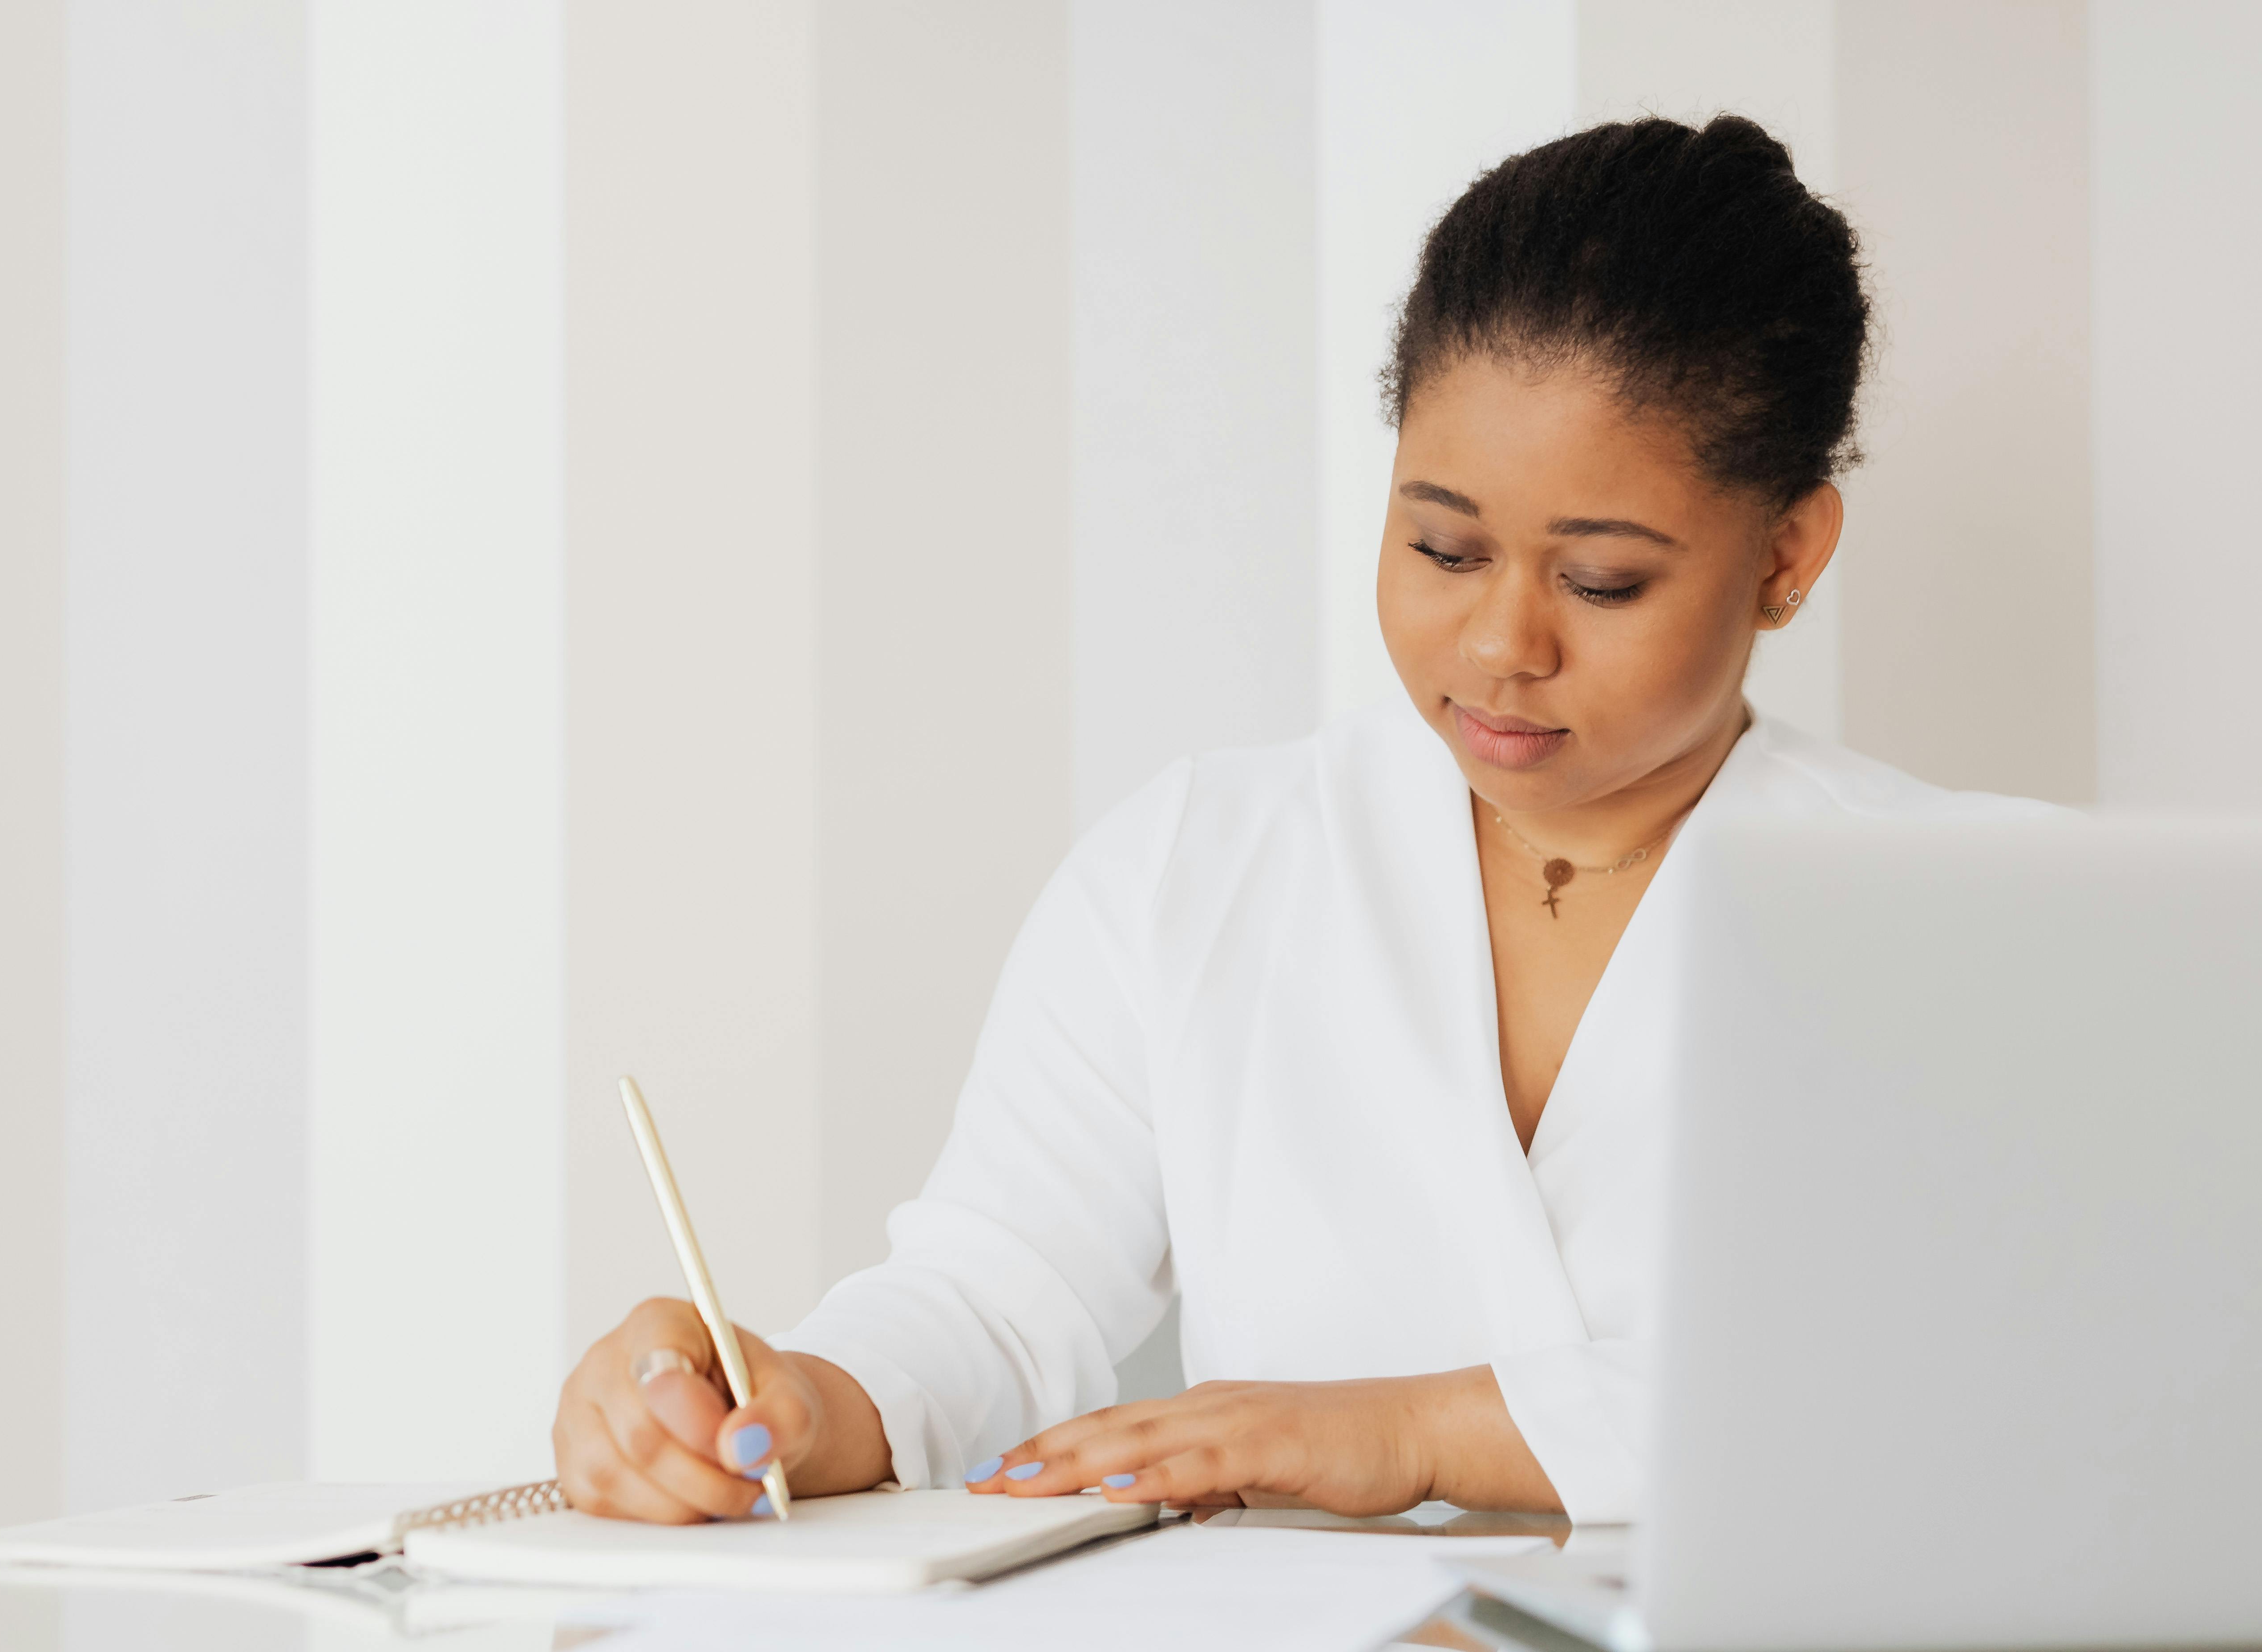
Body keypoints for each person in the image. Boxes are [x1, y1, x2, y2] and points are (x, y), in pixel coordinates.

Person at [549, 114, 2052, 1529]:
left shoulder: (1965, 915)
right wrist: (795, 1401)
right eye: (1441, 546)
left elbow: (1984, 1394)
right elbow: (992, 1295)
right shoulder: (1198, 866)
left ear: (1788, 554)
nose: (1498, 645)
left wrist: (1405, 1433)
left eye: (1599, 580)